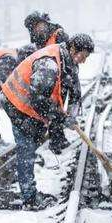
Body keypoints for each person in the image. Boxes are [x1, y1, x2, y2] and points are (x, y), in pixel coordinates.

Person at [0, 34, 94, 209]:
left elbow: (74, 89)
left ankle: (27, 185)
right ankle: (29, 198)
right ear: (73, 48)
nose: (84, 61)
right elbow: (39, 100)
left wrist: (71, 115)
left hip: (29, 104)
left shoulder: (67, 59)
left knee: (32, 141)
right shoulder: (49, 65)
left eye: (87, 57)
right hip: (16, 103)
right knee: (26, 147)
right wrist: (61, 118)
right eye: (83, 56)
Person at [24, 11, 79, 154]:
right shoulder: (38, 39)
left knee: (57, 108)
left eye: (38, 25)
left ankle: (57, 140)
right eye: (33, 27)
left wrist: (69, 77)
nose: (37, 29)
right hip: (50, 77)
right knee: (50, 107)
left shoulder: (59, 35)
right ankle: (55, 138)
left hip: (62, 76)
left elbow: (70, 57)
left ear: (44, 22)